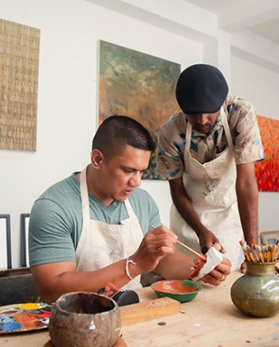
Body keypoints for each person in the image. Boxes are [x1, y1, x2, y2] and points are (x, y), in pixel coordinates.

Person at [28, 115, 231, 303]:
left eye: (141, 171)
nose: (137, 182)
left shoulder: (141, 201)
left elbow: (163, 260)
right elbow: (52, 290)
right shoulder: (53, 207)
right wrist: (135, 264)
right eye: (128, 170)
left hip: (133, 312)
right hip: (76, 321)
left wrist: (199, 268)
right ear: (97, 159)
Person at [157, 64, 265, 272]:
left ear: (221, 102)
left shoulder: (240, 114)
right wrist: (200, 231)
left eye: (209, 113)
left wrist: (252, 248)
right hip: (189, 220)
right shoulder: (170, 131)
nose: (202, 120)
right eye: (193, 114)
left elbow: (246, 183)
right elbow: (177, 190)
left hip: (228, 217)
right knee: (193, 280)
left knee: (228, 283)